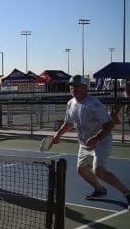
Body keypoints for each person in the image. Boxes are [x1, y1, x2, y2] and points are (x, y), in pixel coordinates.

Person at [51, 75, 130, 210]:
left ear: (84, 87)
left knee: (98, 171)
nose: (73, 88)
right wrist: (58, 134)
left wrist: (97, 138)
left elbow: (110, 124)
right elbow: (69, 123)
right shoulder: (70, 103)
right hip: (84, 144)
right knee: (81, 170)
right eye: (71, 86)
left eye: (76, 86)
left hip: (101, 142)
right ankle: (99, 189)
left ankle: (127, 193)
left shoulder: (93, 103)